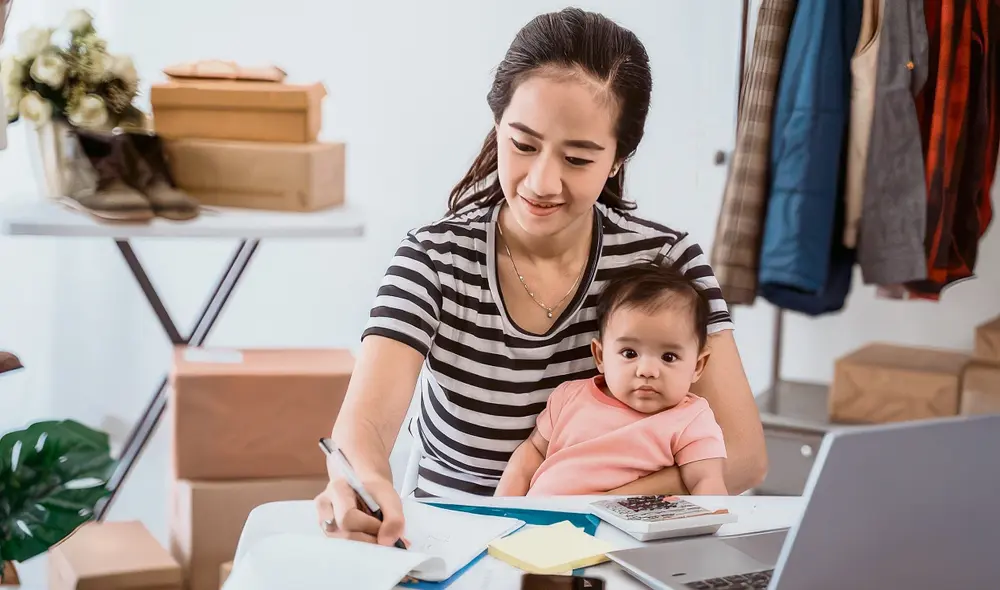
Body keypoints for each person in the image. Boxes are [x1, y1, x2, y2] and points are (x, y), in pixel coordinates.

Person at [315, 7, 767, 548]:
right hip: (458, 541)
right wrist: (361, 482)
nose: (542, 182)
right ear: (498, 125)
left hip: (618, 547)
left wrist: (585, 505)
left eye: (577, 159)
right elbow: (364, 427)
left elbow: (744, 456)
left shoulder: (666, 262)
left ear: (618, 158)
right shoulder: (434, 258)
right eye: (523, 145)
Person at [494, 263, 729, 497]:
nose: (647, 371)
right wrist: (501, 507)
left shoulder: (691, 419)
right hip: (539, 515)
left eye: (669, 357)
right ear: (600, 356)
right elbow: (533, 451)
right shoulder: (569, 397)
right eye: (629, 353)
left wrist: (715, 515)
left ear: (697, 366)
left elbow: (706, 481)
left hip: (620, 520)